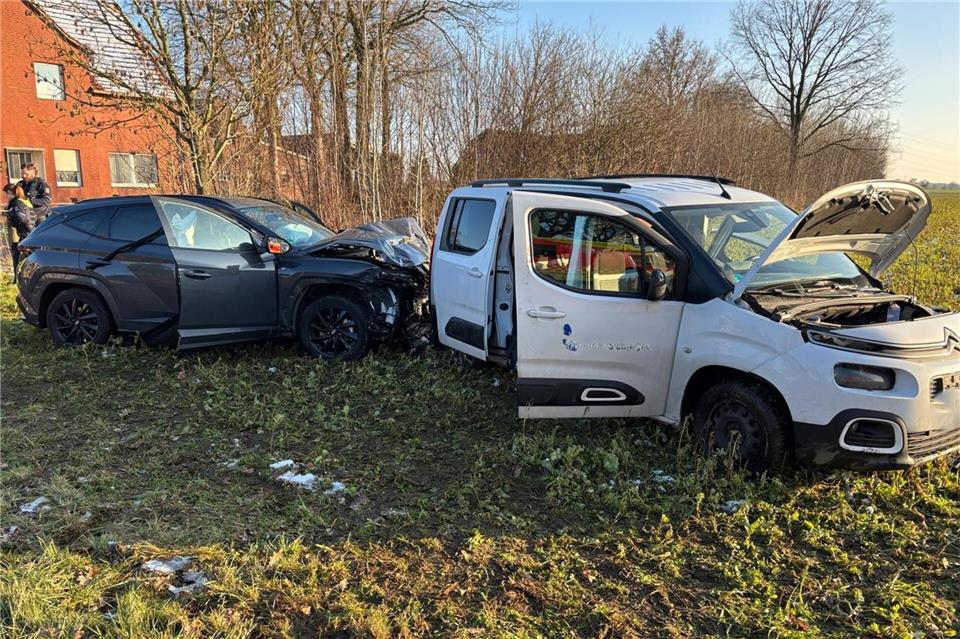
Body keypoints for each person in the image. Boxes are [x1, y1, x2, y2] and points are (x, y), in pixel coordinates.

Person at [3, 183, 36, 277]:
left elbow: (20, 217)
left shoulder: (17, 202)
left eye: (7, 194)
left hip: (25, 231)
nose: (7, 196)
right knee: (27, 252)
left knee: (23, 254)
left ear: (10, 192)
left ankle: (22, 277)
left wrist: (10, 217)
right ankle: (24, 275)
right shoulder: (25, 201)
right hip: (30, 230)